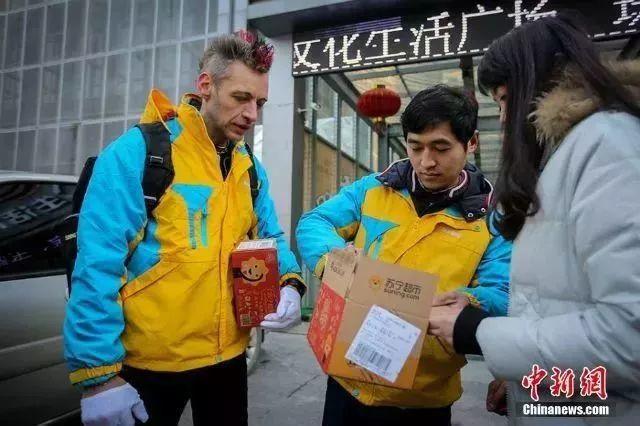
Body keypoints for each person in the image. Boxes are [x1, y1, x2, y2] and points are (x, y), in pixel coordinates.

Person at [63, 31, 306, 426]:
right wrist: (99, 378)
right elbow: (96, 265)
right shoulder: (139, 153)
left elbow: (271, 237)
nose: (252, 115)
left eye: (259, 103)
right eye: (241, 98)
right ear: (206, 86)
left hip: (228, 360)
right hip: (148, 366)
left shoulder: (250, 169)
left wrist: (291, 284)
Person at [427, 14, 640, 425]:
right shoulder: (566, 156)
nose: (504, 119)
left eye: (505, 99)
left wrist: (478, 332)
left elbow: (630, 334)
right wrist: (523, 373)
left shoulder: (608, 146)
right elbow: (560, 301)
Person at [296, 85, 512, 426]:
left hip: (422, 396)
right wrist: (334, 262)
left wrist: (450, 305)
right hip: (348, 378)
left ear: (471, 143)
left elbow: (501, 292)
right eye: (416, 147)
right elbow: (314, 222)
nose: (427, 162)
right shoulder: (373, 190)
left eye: (441, 148)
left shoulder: (492, 219)